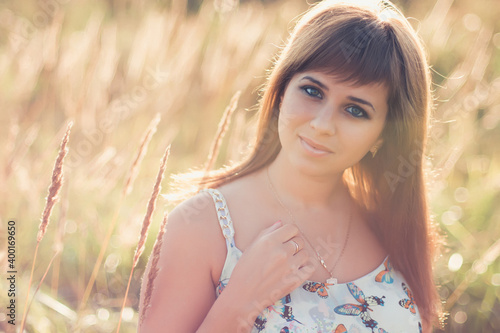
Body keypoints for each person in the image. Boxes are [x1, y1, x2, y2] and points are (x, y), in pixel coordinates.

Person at [138, 0, 443, 332]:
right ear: (282, 90)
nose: (323, 124)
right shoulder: (202, 227)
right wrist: (240, 303)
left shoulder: (394, 230)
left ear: (384, 135)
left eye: (355, 110)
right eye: (312, 91)